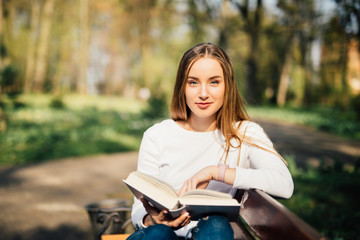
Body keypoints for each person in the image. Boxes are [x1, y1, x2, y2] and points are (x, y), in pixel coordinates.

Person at [127, 43, 294, 240]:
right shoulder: (157, 135)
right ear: (182, 86)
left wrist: (216, 172)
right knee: (158, 234)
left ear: (227, 86)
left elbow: (284, 184)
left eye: (214, 82)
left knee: (217, 225)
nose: (203, 93)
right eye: (193, 82)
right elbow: (139, 205)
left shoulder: (245, 133)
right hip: (162, 235)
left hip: (210, 234)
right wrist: (150, 219)